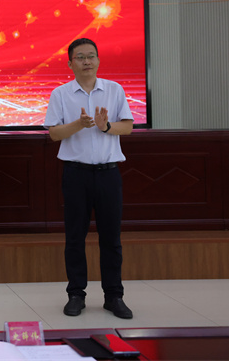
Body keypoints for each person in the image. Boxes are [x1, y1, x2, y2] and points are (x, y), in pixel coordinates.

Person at [44, 37, 135, 320]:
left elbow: (127, 127)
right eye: (80, 57)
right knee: (75, 237)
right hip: (76, 174)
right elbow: (54, 134)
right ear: (70, 63)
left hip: (109, 174)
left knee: (111, 238)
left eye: (91, 56)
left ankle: (114, 296)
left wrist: (106, 127)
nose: (87, 61)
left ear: (98, 60)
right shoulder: (61, 94)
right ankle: (76, 295)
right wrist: (78, 125)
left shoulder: (114, 90)